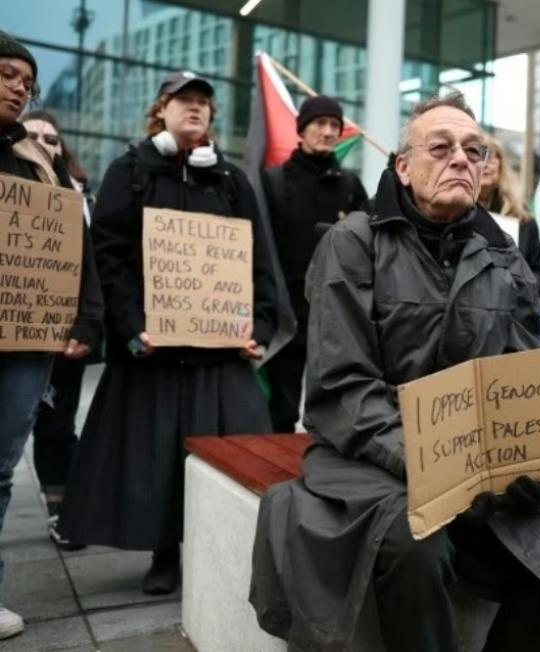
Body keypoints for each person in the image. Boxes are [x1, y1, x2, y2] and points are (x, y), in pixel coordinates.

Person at [249, 93, 540, 652]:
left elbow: (526, 374)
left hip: (483, 460)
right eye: (441, 147)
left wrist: (532, 453)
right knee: (414, 543)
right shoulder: (352, 243)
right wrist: (437, 466)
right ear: (404, 167)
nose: (461, 158)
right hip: (371, 456)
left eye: (474, 151)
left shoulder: (503, 254)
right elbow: (343, 387)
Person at [59, 71, 278, 596]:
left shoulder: (230, 182)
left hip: (218, 355)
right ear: (162, 109)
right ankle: (165, 554)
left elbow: (258, 262)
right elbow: (108, 257)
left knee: (232, 455)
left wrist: (260, 327)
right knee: (156, 460)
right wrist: (132, 326)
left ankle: (223, 552)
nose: (195, 108)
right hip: (152, 352)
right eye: (184, 100)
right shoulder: (129, 171)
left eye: (204, 101)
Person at [0, 32, 103, 639]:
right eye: (7, 74)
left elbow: (74, 249)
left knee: (0, 469)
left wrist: (86, 319)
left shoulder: (41, 162)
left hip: (24, 343)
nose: (20, 87)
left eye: (27, 81)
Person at [261, 94, 367, 432]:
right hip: (287, 317)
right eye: (320, 123)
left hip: (335, 316)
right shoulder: (274, 182)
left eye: (335, 124)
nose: (328, 131)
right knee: (281, 411)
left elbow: (370, 243)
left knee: (333, 414)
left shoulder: (350, 186)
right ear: (302, 129)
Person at [20, 110, 95, 551]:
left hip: (64, 338)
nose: (42, 142)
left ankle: (60, 506)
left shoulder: (82, 199)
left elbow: (92, 270)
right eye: (31, 134)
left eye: (50, 138)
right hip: (13, 335)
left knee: (56, 427)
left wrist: (87, 325)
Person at [478, 135, 540, 296]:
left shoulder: (522, 217)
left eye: (490, 156)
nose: (485, 163)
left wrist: (523, 292)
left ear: (501, 164)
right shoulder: (452, 213)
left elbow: (539, 272)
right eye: (478, 156)